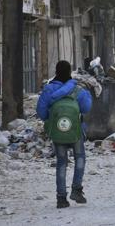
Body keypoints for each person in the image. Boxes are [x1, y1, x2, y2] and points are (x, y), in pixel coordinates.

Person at [37, 60, 92, 209]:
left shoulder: (48, 90)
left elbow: (41, 113)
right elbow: (86, 108)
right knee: (80, 156)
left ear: (56, 71)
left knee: (62, 162)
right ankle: (76, 190)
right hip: (75, 131)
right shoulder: (77, 89)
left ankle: (61, 198)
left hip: (58, 132)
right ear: (69, 72)